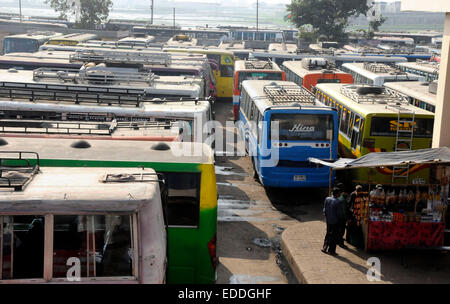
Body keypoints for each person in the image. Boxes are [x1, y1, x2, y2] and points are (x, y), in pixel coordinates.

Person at [322, 187, 345, 255]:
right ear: (338, 194)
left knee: (328, 234)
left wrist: (326, 216)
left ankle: (324, 248)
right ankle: (331, 251)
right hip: (335, 222)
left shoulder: (327, 198)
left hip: (328, 220)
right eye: (339, 193)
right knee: (334, 236)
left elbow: (324, 209)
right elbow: (340, 214)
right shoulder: (338, 202)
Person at [336, 183, 348, 248]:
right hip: (341, 218)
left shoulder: (336, 196)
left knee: (339, 230)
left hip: (337, 217)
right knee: (341, 231)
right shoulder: (342, 198)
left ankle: (338, 241)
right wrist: (346, 217)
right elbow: (344, 210)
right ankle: (341, 243)